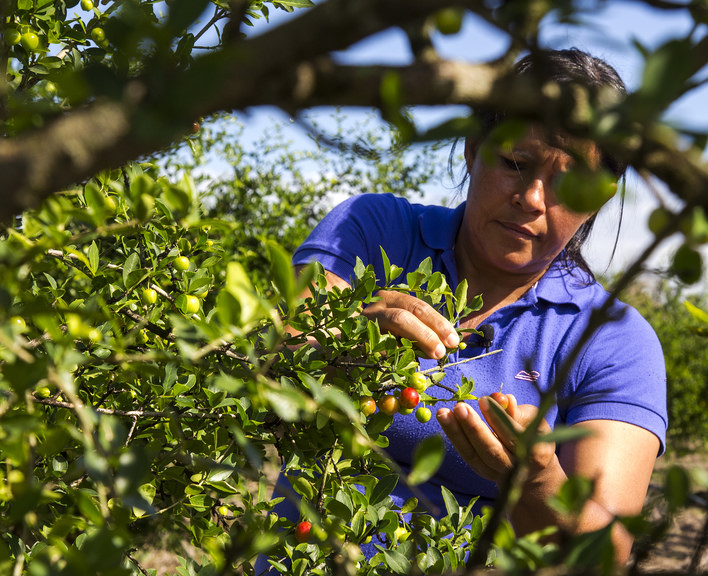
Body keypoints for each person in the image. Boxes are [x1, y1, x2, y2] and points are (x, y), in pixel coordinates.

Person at [264, 47, 666, 569]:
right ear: (473, 151)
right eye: (515, 164)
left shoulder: (614, 341)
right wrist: (348, 321)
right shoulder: (375, 230)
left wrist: (536, 480)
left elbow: (603, 556)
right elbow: (271, 358)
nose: (533, 198)